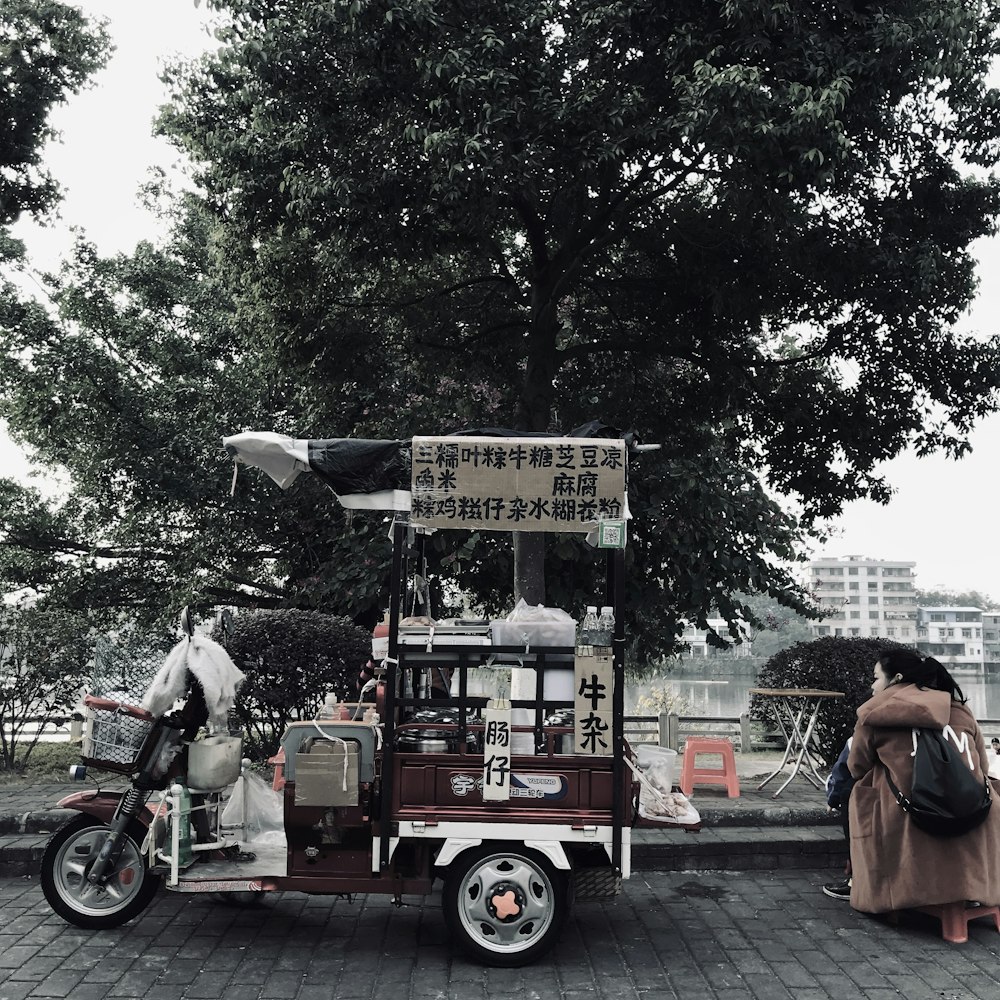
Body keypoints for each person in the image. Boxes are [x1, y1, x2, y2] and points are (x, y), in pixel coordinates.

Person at [844, 648, 1000, 914]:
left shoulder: (876, 714)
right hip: (978, 813)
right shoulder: (960, 709)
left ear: (895, 679)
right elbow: (983, 768)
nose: (872, 685)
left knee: (858, 789)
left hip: (910, 816)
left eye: (876, 677)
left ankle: (863, 883)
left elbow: (857, 766)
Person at [822, 736, 855, 900]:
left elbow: (846, 765)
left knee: (848, 793)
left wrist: (833, 798)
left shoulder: (872, 721)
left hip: (873, 797)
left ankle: (855, 882)